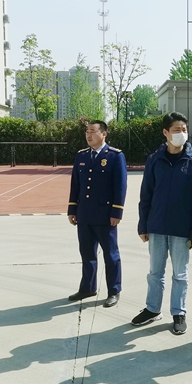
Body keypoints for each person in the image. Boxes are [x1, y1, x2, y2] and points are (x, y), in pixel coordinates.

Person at [133, 112, 192, 335]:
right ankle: (152, 309)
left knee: (180, 274)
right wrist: (143, 225)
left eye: (184, 130)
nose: (181, 134)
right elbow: (146, 194)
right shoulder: (154, 160)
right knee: (155, 272)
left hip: (181, 229)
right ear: (165, 132)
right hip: (156, 226)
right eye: (176, 130)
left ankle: (178, 312)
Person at [67, 120, 127, 308]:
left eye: (93, 131)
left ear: (104, 134)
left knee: (111, 255)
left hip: (105, 215)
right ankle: (87, 287)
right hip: (84, 213)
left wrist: (117, 211)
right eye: (87, 132)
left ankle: (114, 291)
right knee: (87, 253)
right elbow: (75, 184)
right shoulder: (82, 156)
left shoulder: (115, 156)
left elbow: (120, 186)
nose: (88, 135)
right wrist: (72, 209)